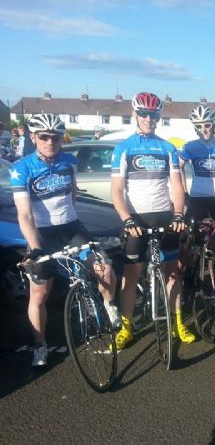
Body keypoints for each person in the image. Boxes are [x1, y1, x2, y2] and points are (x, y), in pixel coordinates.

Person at [10, 114, 120, 367]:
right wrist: (35, 248)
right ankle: (40, 344)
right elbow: (24, 215)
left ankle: (109, 304)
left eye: (56, 137)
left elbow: (72, 194)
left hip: (70, 227)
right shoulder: (22, 169)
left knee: (105, 268)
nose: (50, 142)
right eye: (44, 137)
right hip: (42, 234)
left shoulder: (70, 162)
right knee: (39, 292)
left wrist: (68, 217)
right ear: (33, 137)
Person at [111, 92, 194, 349]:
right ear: (135, 115)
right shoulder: (124, 148)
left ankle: (178, 321)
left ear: (159, 117)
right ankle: (126, 327)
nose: (149, 119)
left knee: (172, 273)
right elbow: (117, 190)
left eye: (153, 115)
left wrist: (178, 213)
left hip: (164, 216)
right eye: (144, 114)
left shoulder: (167, 148)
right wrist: (126, 219)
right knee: (131, 275)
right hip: (136, 219)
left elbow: (177, 185)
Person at [179, 105, 215, 265]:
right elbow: (178, 168)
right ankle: (183, 272)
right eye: (199, 126)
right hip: (197, 199)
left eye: (207, 125)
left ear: (213, 124)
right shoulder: (190, 147)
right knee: (186, 240)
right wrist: (184, 191)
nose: (204, 129)